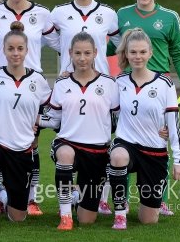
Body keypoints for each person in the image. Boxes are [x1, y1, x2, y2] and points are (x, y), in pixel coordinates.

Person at [106, 0, 180, 215]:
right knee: (125, 139)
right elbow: (112, 48)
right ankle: (118, 199)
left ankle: (158, 199)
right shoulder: (121, 15)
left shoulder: (169, 17)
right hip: (128, 85)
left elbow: (178, 51)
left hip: (159, 88)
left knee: (159, 138)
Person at [0, 0, 59, 216]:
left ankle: (31, 198)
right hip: (2, 86)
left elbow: (59, 42)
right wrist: (0, 59)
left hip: (31, 86)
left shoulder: (42, 14)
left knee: (31, 142)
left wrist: (69, 69)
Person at [50, 0, 120, 215]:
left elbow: (120, 42)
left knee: (102, 141)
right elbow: (50, 37)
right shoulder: (58, 13)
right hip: (71, 86)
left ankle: (97, 198)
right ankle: (68, 199)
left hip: (100, 88)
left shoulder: (109, 14)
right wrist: (65, 60)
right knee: (68, 142)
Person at [37, 32, 119, 230]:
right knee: (65, 154)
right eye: (78, 53)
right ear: (70, 54)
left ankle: (75, 198)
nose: (82, 58)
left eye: (87, 53)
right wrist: (35, 120)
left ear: (95, 54)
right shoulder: (62, 83)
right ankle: (65, 215)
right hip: (68, 143)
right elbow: (55, 118)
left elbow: (119, 119)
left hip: (97, 151)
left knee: (87, 219)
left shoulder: (109, 84)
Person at [108, 28, 180, 230]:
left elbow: (173, 122)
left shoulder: (165, 83)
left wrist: (179, 160)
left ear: (150, 53)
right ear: (126, 53)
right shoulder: (120, 82)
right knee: (117, 156)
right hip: (127, 144)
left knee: (148, 220)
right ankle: (119, 213)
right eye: (133, 52)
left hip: (154, 151)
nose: (138, 56)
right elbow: (111, 116)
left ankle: (149, 204)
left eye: (142, 52)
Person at [0, 21, 52, 231]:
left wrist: (40, 122)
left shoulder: (38, 80)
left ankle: (2, 195)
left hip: (22, 149)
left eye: (20, 48)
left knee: (18, 217)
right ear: (4, 50)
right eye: (11, 48)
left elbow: (53, 107)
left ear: (27, 50)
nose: (15, 53)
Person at [50, 0, 120, 75]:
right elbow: (47, 38)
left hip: (101, 79)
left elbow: (120, 44)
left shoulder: (108, 13)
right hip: (68, 79)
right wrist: (63, 48)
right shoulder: (59, 12)